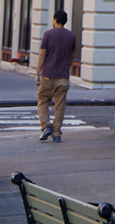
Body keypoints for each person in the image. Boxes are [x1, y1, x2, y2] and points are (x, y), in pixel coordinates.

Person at [36, 10, 77, 143]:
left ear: (54, 20)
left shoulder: (48, 34)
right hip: (63, 76)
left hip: (48, 75)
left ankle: (46, 126)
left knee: (43, 100)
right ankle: (57, 133)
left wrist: (37, 73)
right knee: (60, 106)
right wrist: (67, 67)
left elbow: (43, 55)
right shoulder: (71, 36)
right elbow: (71, 56)